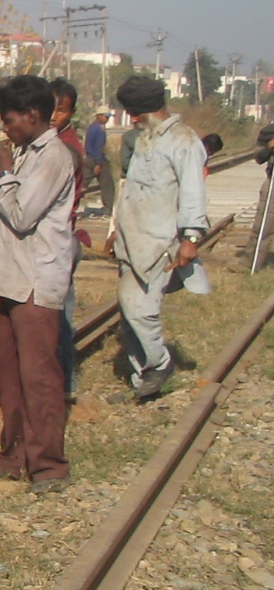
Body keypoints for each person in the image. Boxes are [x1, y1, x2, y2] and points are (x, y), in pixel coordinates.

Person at [0, 76, 78, 489]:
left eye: (9, 119)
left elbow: (22, 215)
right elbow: (10, 209)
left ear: (32, 115)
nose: (5, 127)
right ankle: (13, 455)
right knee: (9, 374)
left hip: (37, 279)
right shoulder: (26, 153)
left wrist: (2, 176)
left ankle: (49, 465)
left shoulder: (54, 156)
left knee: (39, 376)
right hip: (14, 278)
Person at [110, 75, 209, 402]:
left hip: (160, 242)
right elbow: (132, 189)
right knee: (129, 314)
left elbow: (193, 192)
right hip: (133, 240)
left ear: (144, 111)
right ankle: (143, 381)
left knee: (139, 308)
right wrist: (116, 230)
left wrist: (190, 238)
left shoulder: (184, 141)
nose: (132, 120)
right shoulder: (146, 138)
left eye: (133, 113)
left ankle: (159, 363)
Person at [48, 78, 86, 398]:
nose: (53, 116)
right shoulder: (50, 141)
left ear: (71, 113)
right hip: (57, 237)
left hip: (60, 238)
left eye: (61, 111)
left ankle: (65, 385)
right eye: (50, 108)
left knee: (58, 317)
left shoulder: (65, 148)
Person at [231, 120, 274, 272]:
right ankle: (249, 263)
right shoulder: (268, 132)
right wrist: (270, 146)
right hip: (273, 182)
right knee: (263, 226)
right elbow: (259, 158)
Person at [84, 108, 114, 213]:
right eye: (106, 116)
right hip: (98, 159)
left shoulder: (91, 127)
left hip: (88, 158)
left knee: (82, 183)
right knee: (107, 185)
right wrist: (99, 164)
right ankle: (108, 209)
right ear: (98, 116)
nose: (107, 119)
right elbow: (98, 147)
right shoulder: (99, 130)